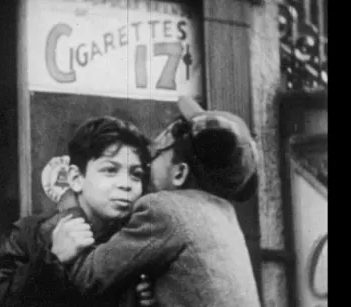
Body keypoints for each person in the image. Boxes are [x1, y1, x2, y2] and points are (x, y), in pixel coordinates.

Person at [51, 96, 262, 307]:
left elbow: (87, 278)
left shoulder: (164, 210)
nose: (149, 164)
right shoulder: (223, 212)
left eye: (157, 154)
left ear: (179, 173)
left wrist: (71, 203)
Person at [0, 115, 155, 307]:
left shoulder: (135, 241)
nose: (126, 185)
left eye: (136, 174)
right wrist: (52, 261)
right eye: (110, 170)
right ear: (76, 178)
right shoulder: (31, 235)